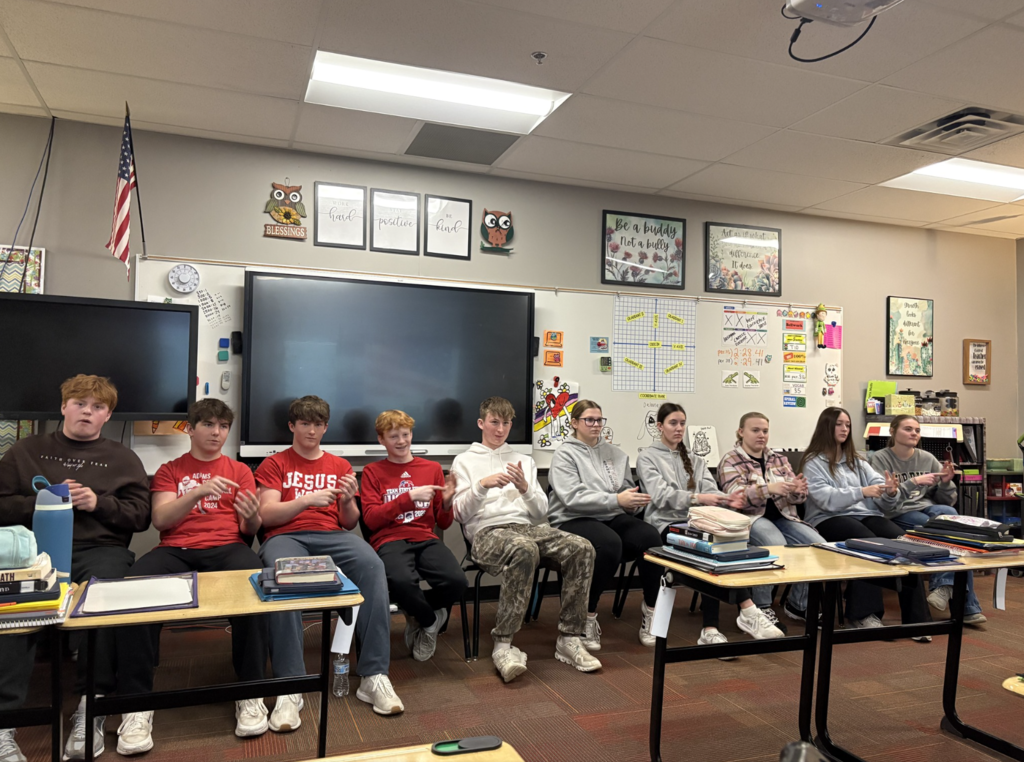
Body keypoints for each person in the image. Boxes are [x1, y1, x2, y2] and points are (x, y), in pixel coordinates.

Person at [0, 375, 150, 761]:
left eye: (97, 407)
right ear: (64, 406)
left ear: (108, 415)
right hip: (34, 551)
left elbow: (140, 517)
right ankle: (4, 723)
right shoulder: (25, 451)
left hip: (99, 548)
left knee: (101, 598)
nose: (88, 411)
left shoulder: (123, 458)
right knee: (16, 609)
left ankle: (90, 705)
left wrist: (97, 503)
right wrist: (42, 501)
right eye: (80, 403)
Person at [114, 400, 270, 756]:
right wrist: (197, 492)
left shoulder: (239, 470)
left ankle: (250, 692)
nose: (216, 433)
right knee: (135, 589)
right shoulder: (171, 470)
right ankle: (136, 705)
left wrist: (252, 519)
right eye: (209, 425)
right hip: (177, 549)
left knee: (257, 585)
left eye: (223, 427)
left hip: (227, 546)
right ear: (191, 428)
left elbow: (248, 529)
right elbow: (162, 521)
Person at [255, 396, 403, 724]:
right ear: (292, 426)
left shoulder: (340, 466)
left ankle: (373, 675)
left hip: (332, 536)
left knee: (372, 565)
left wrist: (348, 499)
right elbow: (266, 514)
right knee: (283, 575)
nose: (312, 430)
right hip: (285, 536)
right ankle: (290, 685)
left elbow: (349, 521)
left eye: (318, 424)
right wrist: (306, 500)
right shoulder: (274, 464)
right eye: (305, 423)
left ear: (325, 427)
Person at [451, 397, 600, 682]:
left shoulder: (524, 460)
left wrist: (524, 488)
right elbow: (459, 513)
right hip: (487, 533)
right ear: (482, 423)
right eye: (494, 422)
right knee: (524, 550)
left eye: (506, 423)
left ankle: (569, 638)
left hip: (526, 528)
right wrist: (482, 486)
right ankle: (503, 645)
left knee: (581, 547)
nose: (500, 429)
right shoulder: (465, 461)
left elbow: (540, 512)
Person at [637, 403, 784, 649]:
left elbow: (709, 489)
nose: (679, 428)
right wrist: (697, 498)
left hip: (699, 521)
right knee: (708, 548)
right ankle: (742, 613)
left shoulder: (693, 458)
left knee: (723, 545)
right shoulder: (647, 457)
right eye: (673, 423)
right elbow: (660, 496)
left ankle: (716, 626)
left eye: (682, 423)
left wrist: (727, 499)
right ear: (660, 427)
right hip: (666, 523)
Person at [799, 407, 932, 634]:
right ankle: (863, 615)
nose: (844, 429)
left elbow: (882, 494)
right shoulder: (813, 462)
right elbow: (825, 499)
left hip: (866, 515)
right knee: (868, 544)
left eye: (848, 425)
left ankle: (917, 621)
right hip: (827, 519)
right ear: (826, 427)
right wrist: (862, 491)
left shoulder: (857, 461)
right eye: (839, 424)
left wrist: (890, 492)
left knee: (906, 544)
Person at [547, 400, 664, 648]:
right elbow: (571, 498)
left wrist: (632, 502)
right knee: (609, 544)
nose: (596, 425)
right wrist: (616, 500)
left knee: (651, 538)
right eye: (589, 419)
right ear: (575, 423)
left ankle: (652, 610)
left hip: (610, 514)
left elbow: (623, 490)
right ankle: (586, 616)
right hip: (571, 518)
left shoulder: (616, 454)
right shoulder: (564, 454)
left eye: (599, 420)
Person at [360, 410, 467, 661]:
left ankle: (418, 611)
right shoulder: (372, 472)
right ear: (381, 440)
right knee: (399, 581)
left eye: (406, 434)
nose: (401, 441)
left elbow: (442, 522)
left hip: (425, 537)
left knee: (457, 582)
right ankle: (430, 620)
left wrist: (448, 503)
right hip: (389, 539)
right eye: (393, 436)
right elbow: (371, 519)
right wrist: (407, 498)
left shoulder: (431, 468)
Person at [867, 415, 986, 625]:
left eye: (917, 430)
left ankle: (944, 587)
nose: (914, 433)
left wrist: (946, 484)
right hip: (897, 512)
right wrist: (913, 482)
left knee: (954, 520)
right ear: (893, 432)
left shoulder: (927, 457)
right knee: (933, 528)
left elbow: (945, 500)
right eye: (908, 429)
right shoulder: (879, 459)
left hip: (927, 507)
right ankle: (966, 607)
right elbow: (885, 503)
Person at [717, 412, 823, 624]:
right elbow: (736, 496)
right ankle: (760, 608)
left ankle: (798, 605)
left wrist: (797, 491)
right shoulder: (730, 460)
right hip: (749, 518)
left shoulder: (778, 458)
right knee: (774, 545)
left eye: (765, 431)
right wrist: (769, 489)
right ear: (741, 432)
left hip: (784, 516)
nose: (761, 435)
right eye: (755, 430)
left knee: (818, 545)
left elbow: (797, 498)